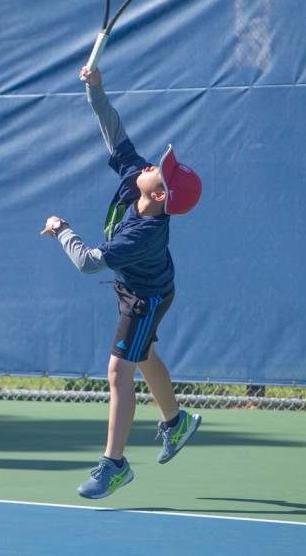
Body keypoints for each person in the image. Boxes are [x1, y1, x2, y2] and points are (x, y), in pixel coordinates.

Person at [40, 64, 203, 500]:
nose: (153, 164)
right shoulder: (138, 179)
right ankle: (177, 421)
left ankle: (114, 465)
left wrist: (61, 230)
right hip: (143, 286)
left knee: (119, 371)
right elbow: (114, 130)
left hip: (145, 297)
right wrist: (96, 89)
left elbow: (90, 262)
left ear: (161, 194)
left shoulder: (142, 235)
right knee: (143, 352)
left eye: (160, 169)